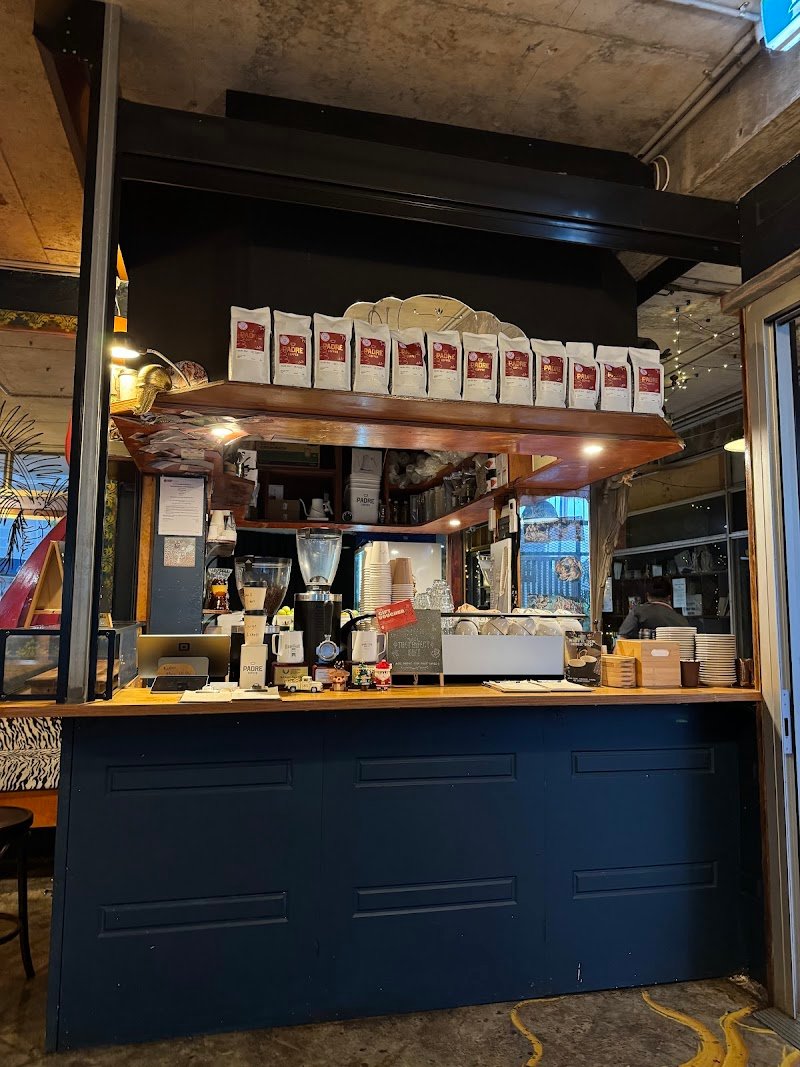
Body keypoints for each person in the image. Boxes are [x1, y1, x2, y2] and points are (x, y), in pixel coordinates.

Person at [617, 577, 691, 638]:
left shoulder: (637, 613)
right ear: (669, 597)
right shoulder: (682, 620)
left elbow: (622, 641)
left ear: (647, 596)